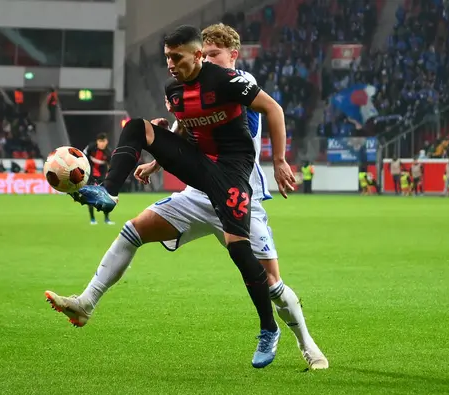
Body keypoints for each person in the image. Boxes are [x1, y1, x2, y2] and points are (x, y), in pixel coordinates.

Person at [45, 25, 296, 369]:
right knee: (138, 127)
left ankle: (269, 329)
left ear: (196, 55)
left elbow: (274, 110)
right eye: (167, 58)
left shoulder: (226, 81)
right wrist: (155, 160)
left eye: (177, 57)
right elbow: (185, 128)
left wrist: (280, 161)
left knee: (239, 250)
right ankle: (108, 191)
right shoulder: (174, 89)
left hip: (232, 172)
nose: (170, 64)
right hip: (199, 168)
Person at [134, 23, 327, 369]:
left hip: (241, 197)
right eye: (202, 55)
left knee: (271, 281)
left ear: (232, 56)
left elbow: (257, 119)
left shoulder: (239, 85)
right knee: (134, 231)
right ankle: (87, 299)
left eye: (213, 55)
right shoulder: (198, 86)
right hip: (199, 193)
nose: (205, 61)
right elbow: (189, 121)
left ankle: (306, 343)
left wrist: (280, 160)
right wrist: (159, 160)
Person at [83, 134, 113, 225]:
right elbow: (83, 156)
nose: (102, 144)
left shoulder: (108, 152)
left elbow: (110, 166)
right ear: (97, 141)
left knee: (105, 198)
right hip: (90, 176)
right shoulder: (91, 147)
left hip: (102, 177)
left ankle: (107, 219)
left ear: (106, 142)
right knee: (90, 197)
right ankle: (92, 219)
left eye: (103, 142)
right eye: (100, 141)